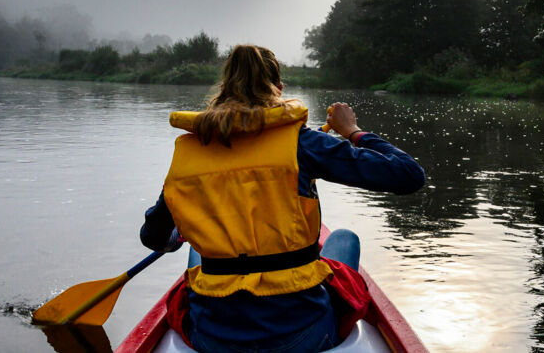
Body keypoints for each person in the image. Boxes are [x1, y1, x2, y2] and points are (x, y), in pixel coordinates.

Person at [140, 44, 425, 353]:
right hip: (299, 335)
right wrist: (353, 131)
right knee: (344, 238)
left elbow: (153, 238)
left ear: (224, 89)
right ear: (278, 89)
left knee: (198, 254)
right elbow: (409, 175)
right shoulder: (305, 143)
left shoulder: (191, 150)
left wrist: (176, 236)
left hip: (213, 336)